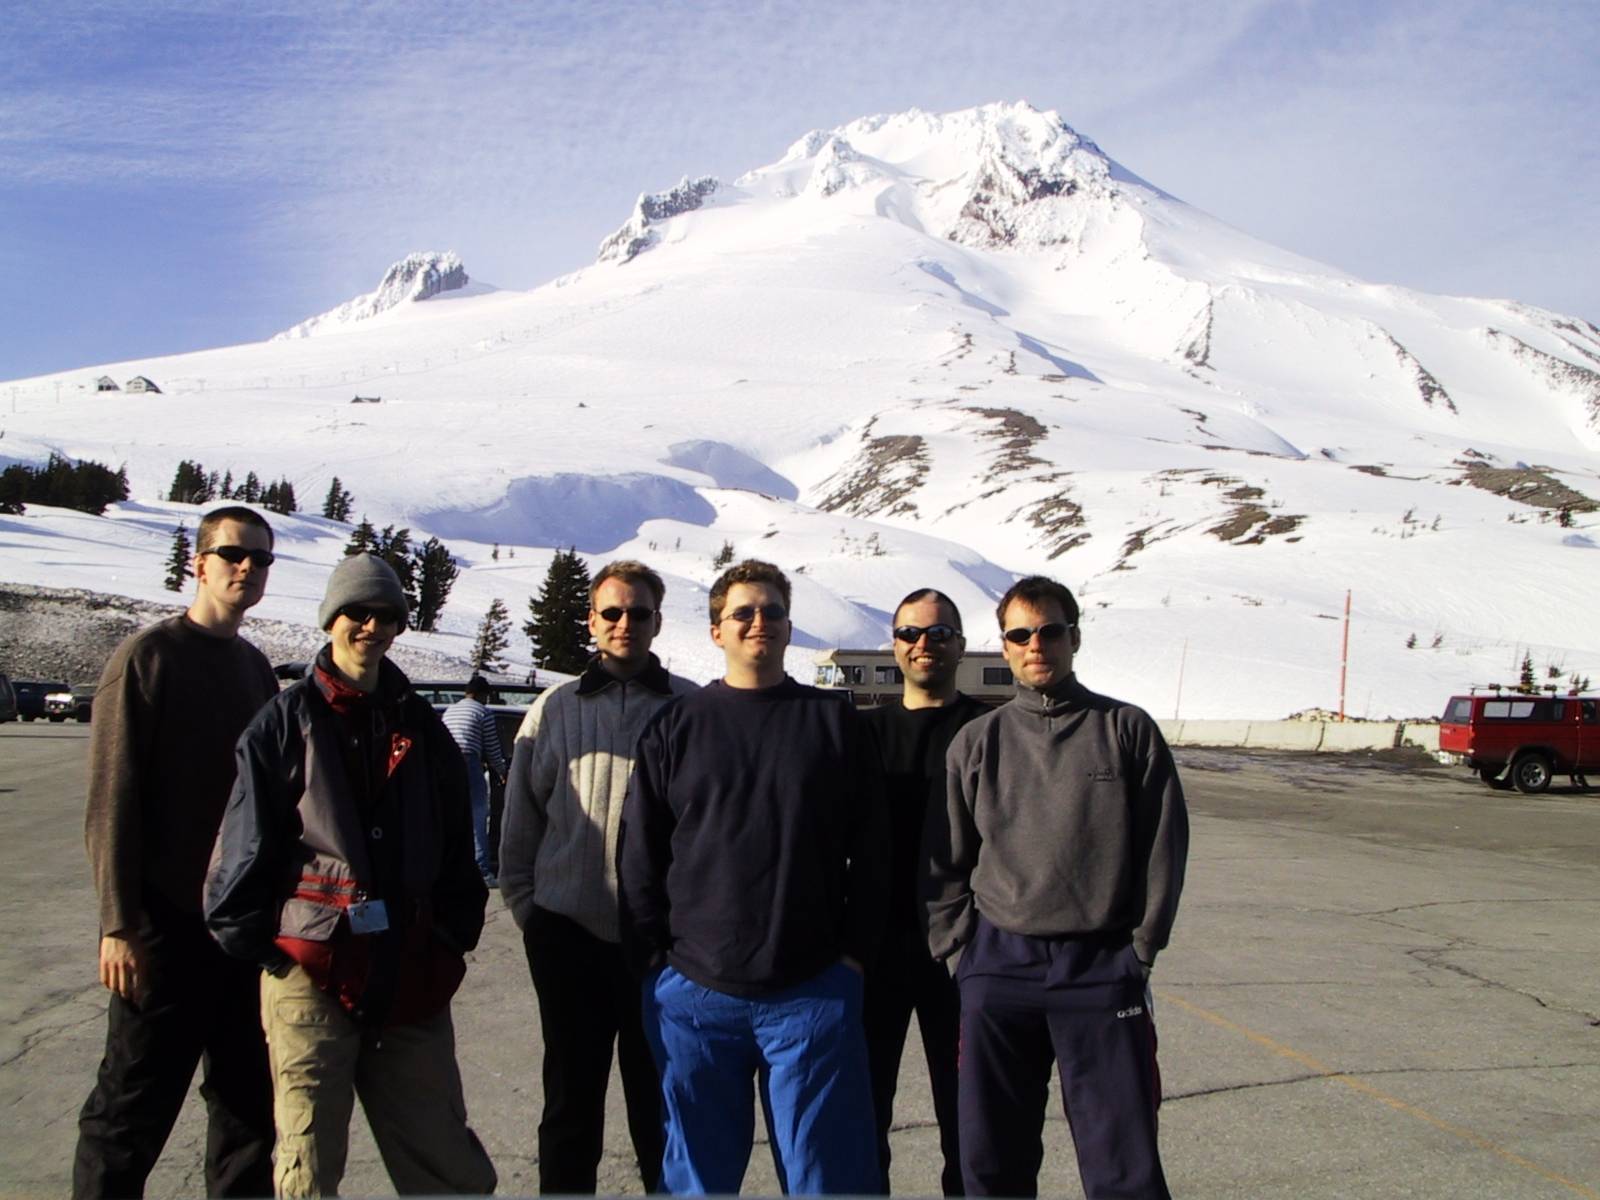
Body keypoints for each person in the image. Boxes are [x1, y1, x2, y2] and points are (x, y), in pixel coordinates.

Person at [205, 553, 496, 1198]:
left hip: (410, 971)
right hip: (311, 973)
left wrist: (450, 937)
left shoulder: (422, 728)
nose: (371, 626)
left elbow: (458, 843)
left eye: (385, 614)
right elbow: (242, 848)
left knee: (447, 1163)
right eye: (357, 612)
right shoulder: (284, 722)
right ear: (331, 618)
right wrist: (274, 955)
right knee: (307, 1168)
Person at [618, 558, 889, 1196]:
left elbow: (874, 851)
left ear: (790, 628)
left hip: (812, 991)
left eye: (772, 611)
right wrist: (655, 965)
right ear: (717, 631)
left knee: (826, 1179)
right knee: (699, 1180)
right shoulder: (675, 726)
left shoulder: (835, 723)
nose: (759, 621)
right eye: (743, 612)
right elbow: (640, 857)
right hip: (693, 995)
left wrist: (852, 958)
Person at [925, 574, 1189, 1200]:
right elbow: (945, 858)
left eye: (1049, 631)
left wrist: (1141, 949)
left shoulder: (1125, 729)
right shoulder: (978, 742)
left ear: (1074, 637)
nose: (1035, 645)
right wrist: (959, 951)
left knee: (1123, 1160)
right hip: (999, 967)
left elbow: (1163, 844)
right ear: (1005, 646)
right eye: (1020, 635)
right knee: (992, 1157)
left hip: (1101, 969)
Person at [74, 505, 280, 1200]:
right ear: (199, 564)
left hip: (238, 928)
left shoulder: (254, 669)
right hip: (162, 928)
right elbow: (112, 800)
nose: (247, 568)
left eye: (261, 558)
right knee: (131, 1108)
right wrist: (118, 923)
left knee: (248, 1109)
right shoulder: (148, 658)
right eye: (233, 554)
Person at [499, 559, 696, 1193]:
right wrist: (531, 913)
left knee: (661, 1105)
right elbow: (520, 823)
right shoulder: (554, 709)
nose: (624, 623)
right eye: (611, 612)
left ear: (657, 621)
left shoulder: (691, 707)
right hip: (567, 936)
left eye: (639, 612)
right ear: (591, 620)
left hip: (660, 945)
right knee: (570, 1103)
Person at [860, 589, 989, 1196]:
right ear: (894, 645)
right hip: (873, 952)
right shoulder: (862, 733)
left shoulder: (991, 731)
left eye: (939, 634)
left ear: (960, 646)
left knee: (970, 1121)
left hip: (966, 955)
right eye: (910, 633)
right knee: (862, 1118)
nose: (923, 645)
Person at [441, 675, 509, 886]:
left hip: (444, 763)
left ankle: (448, 869)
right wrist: (502, 771)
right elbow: (492, 747)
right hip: (468, 761)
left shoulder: (451, 710)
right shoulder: (482, 712)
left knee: (450, 818)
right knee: (478, 816)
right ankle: (481, 871)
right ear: (482, 695)